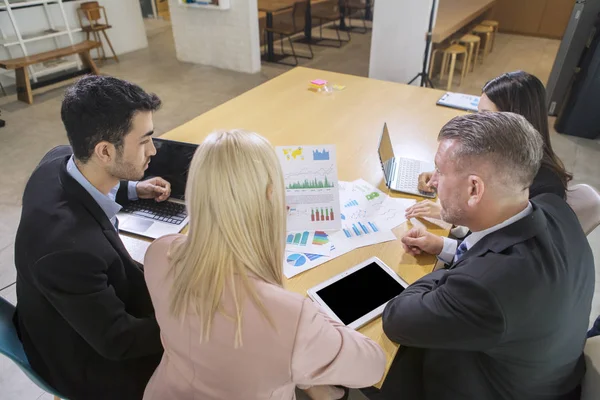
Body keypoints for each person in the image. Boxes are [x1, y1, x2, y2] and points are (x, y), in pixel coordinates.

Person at [365, 112, 594, 400]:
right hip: (545, 374)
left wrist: (445, 271)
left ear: (474, 189)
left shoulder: (484, 288)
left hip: (489, 387)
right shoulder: (554, 208)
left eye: (440, 171)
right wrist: (443, 247)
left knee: (369, 357)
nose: (433, 182)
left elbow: (397, 319)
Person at [143, 130, 386, 400]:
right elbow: (373, 367)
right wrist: (310, 314)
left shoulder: (159, 252)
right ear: (271, 197)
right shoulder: (292, 318)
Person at [14, 76, 172, 400]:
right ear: (104, 151)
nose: (153, 150)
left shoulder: (58, 160)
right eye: (144, 141)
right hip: (86, 362)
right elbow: (118, 340)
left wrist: (132, 186)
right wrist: (193, 327)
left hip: (81, 313)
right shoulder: (66, 250)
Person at [406, 70, 572, 220]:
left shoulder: (542, 185)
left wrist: (448, 214)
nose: (478, 123)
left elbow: (501, 236)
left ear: (514, 119)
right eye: (478, 114)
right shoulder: (499, 153)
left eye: (486, 116)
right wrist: (444, 175)